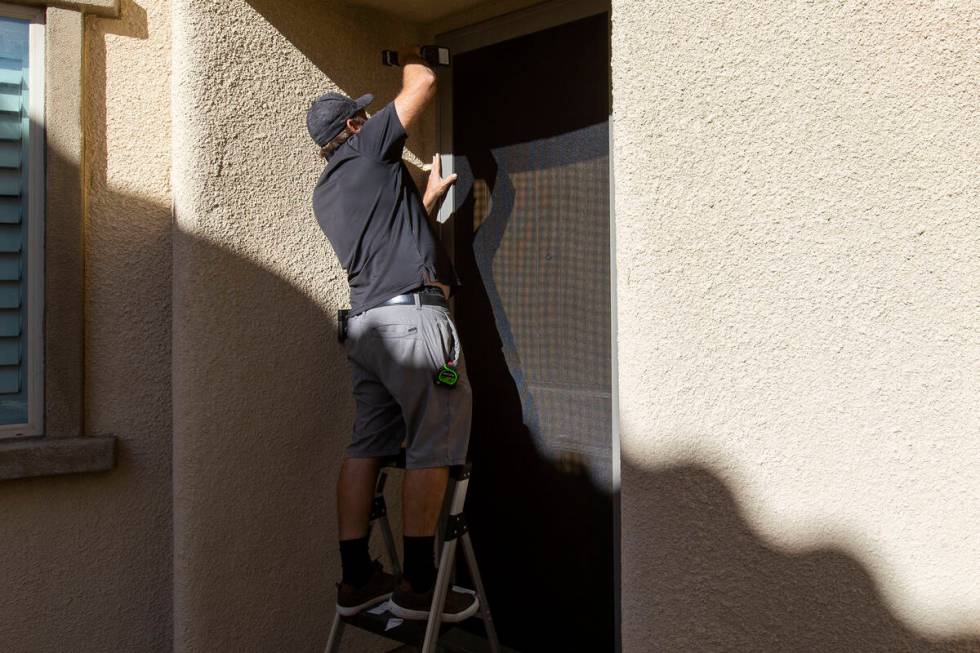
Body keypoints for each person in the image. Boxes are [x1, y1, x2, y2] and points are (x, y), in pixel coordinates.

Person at [306, 45, 477, 623]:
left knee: (369, 447)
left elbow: (389, 238)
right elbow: (424, 83)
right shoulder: (367, 150)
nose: (372, 119)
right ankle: (419, 584)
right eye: (364, 115)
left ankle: (356, 578)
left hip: (369, 330)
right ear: (355, 127)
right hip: (413, 326)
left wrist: (423, 202)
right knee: (436, 437)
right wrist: (413, 53)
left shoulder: (327, 191)